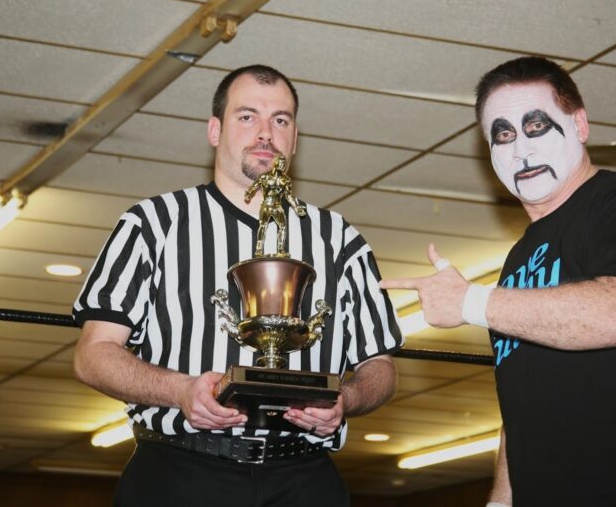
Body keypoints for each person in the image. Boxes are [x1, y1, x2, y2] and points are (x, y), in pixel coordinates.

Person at [381, 57, 616, 506]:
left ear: (579, 124)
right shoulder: (518, 259)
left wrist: (470, 303)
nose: (520, 150)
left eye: (537, 126)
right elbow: (523, 404)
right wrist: (501, 502)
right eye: (503, 134)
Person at [73, 64, 403, 506]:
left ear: (295, 137)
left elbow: (380, 367)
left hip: (303, 477)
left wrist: (347, 397)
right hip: (180, 472)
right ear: (215, 130)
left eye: (280, 120)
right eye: (247, 116)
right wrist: (180, 390)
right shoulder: (154, 223)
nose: (265, 133)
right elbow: (93, 355)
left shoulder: (340, 238)